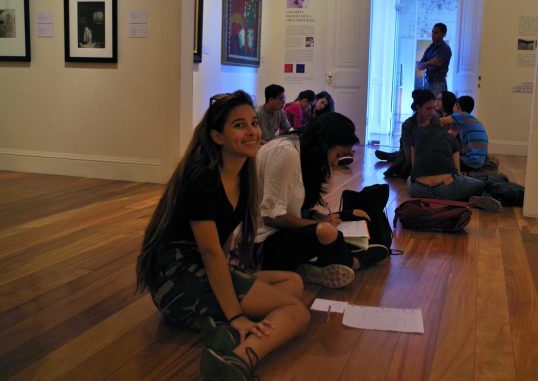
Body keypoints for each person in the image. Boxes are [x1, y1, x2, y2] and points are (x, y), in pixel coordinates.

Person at [136, 91, 309, 380]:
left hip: (202, 270)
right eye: (239, 125)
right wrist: (237, 315)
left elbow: (224, 245)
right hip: (177, 280)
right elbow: (210, 252)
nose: (253, 131)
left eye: (254, 123)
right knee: (296, 312)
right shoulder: (201, 178)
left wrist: (237, 283)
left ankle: (220, 329)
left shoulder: (243, 176)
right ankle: (237, 360)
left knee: (293, 281)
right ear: (217, 137)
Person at [255, 113, 389, 288]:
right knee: (327, 232)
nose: (335, 163)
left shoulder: (302, 154)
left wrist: (326, 217)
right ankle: (352, 261)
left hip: (284, 234)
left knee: (354, 218)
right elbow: (272, 217)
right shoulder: (285, 152)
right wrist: (319, 224)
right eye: (338, 154)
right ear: (325, 144)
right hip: (264, 244)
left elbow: (296, 210)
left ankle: (318, 263)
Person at [406, 93, 501, 212]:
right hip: (447, 188)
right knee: (480, 184)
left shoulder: (416, 136)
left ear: (457, 106)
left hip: (419, 190)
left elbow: (414, 169)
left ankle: (436, 198)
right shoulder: (450, 138)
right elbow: (457, 174)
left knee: (410, 179)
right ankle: (467, 198)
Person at [380, 90, 440, 179]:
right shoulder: (408, 125)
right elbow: (408, 154)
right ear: (418, 107)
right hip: (412, 157)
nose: (432, 112)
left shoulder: (435, 119)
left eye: (434, 108)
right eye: (428, 108)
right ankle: (395, 159)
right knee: (407, 169)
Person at [439, 95, 489, 172]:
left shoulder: (461, 116)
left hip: (469, 162)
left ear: (457, 106)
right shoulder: (472, 119)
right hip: (479, 162)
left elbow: (440, 121)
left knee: (439, 159)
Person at [416, 23, 452, 97]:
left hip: (438, 83)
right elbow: (419, 66)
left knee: (436, 107)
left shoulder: (445, 48)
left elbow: (437, 63)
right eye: (432, 32)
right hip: (427, 82)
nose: (432, 34)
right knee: (427, 105)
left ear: (443, 34)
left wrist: (426, 64)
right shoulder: (430, 48)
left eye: (436, 32)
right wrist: (430, 62)